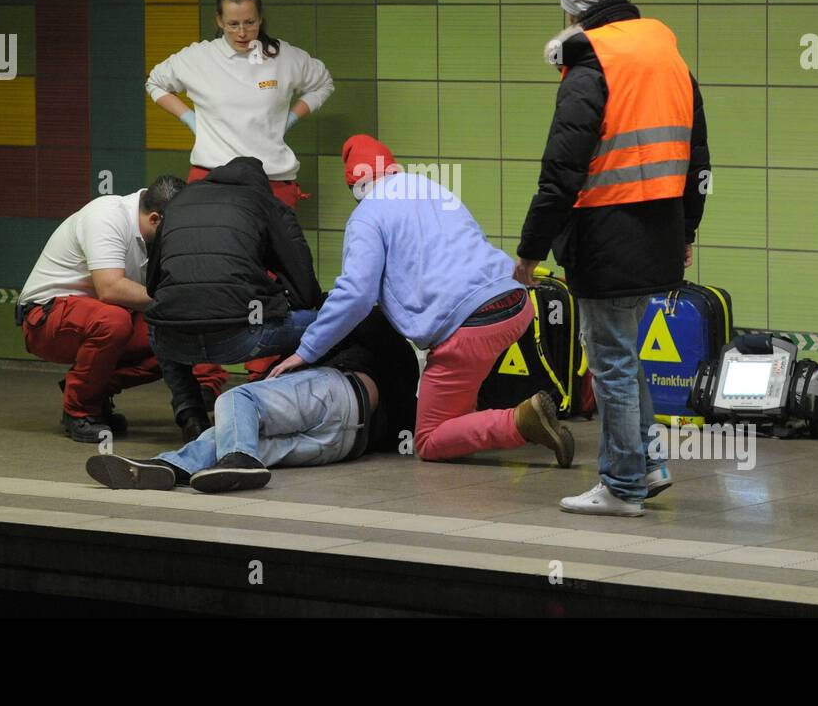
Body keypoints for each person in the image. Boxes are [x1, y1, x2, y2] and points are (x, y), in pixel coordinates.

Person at [516, 0, 710, 517]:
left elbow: (561, 169)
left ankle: (622, 485)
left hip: (606, 229)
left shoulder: (592, 65)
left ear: (574, 10)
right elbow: (699, 156)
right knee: (627, 357)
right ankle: (646, 467)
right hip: (658, 229)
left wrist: (530, 248)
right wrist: (688, 228)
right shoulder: (669, 56)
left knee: (612, 361)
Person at [268, 135, 575, 468]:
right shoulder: (431, 188)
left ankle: (521, 422)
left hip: (468, 326)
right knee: (457, 401)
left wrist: (306, 350)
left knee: (428, 438)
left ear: (356, 186)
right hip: (515, 301)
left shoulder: (367, 216)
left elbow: (356, 294)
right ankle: (482, 423)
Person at [145, 0, 335, 388]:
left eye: (249, 22)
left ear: (260, 19)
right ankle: (207, 378)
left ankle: (262, 376)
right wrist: (190, 120)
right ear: (219, 21)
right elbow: (155, 82)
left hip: (271, 179)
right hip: (212, 178)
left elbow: (322, 81)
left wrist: (291, 119)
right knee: (205, 271)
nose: (242, 31)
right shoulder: (197, 58)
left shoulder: (283, 58)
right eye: (233, 24)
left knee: (271, 276)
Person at [85, 309, 419, 493]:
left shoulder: (364, 319)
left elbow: (334, 318)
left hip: (337, 391)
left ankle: (225, 460)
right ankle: (174, 467)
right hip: (346, 443)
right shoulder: (407, 358)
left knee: (238, 398)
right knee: (242, 441)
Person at [143, 156, 323, 442]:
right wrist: (273, 297)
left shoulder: (179, 203)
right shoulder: (267, 204)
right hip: (241, 337)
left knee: (158, 322)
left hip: (174, 340)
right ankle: (274, 412)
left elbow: (153, 287)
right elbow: (305, 291)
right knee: (325, 324)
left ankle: (191, 415)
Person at [17, 175, 186, 442]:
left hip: (93, 316)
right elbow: (110, 289)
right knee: (114, 320)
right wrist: (174, 301)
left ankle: (90, 391)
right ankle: (78, 412)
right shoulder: (106, 215)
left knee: (174, 338)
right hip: (45, 317)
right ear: (155, 219)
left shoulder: (155, 234)